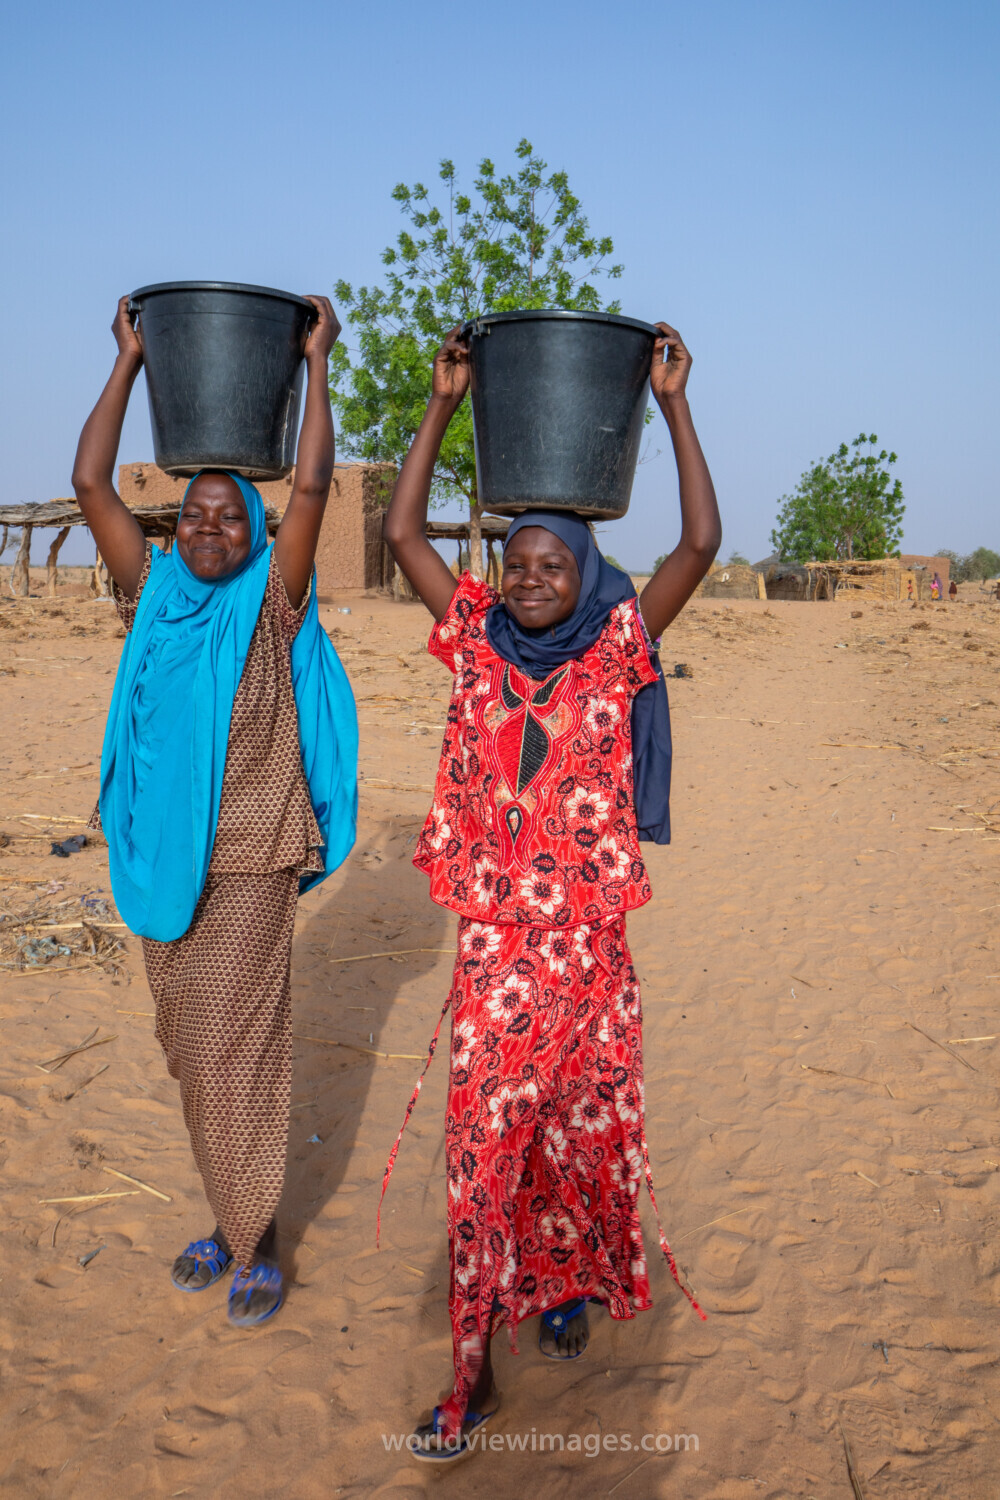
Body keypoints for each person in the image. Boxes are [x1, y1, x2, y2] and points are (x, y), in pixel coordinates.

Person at [380, 320, 721, 1461]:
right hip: (491, 967)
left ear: (586, 578)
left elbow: (699, 544)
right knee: (481, 1156)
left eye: (552, 564)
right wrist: (445, 402)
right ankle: (469, 1375)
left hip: (588, 969)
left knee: (575, 1142)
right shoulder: (474, 642)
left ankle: (563, 1289)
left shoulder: (615, 650)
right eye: (515, 559)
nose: (529, 578)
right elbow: (393, 529)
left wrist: (671, 404)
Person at [72, 294, 358, 1326]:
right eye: (192, 512)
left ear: (253, 531)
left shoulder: (268, 600)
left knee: (236, 1047)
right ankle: (229, 1218)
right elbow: (89, 481)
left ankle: (262, 1241)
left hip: (248, 858)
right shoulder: (148, 592)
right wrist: (130, 363)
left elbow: (316, 480)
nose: (206, 525)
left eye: (227, 514)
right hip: (159, 860)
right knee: (188, 1049)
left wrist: (317, 365)